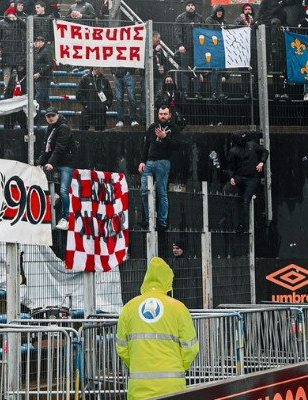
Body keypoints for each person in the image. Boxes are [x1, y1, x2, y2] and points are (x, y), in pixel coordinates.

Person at [115, 256, 198, 400]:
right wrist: (179, 367)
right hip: (172, 387)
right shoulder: (178, 308)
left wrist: (137, 365)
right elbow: (191, 348)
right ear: (167, 280)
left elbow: (122, 348)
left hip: (139, 388)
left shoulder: (129, 308)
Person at [138, 105, 181, 232]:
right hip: (149, 162)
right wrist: (142, 161)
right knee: (144, 191)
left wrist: (165, 137)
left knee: (162, 192)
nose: (163, 116)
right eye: (161, 114)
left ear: (170, 115)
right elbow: (146, 145)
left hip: (163, 161)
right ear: (158, 114)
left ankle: (162, 222)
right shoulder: (152, 127)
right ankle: (148, 219)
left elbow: (176, 145)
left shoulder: (174, 128)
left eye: (165, 114)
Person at [38, 107, 77, 219]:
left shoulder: (63, 128)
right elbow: (46, 148)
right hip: (55, 163)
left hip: (66, 164)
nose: (51, 118)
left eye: (53, 116)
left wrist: (50, 163)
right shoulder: (49, 129)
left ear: (58, 116)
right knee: (50, 189)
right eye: (48, 116)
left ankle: (66, 218)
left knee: (64, 191)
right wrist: (40, 163)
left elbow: (60, 148)